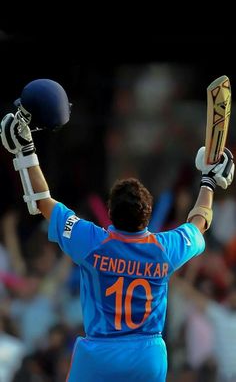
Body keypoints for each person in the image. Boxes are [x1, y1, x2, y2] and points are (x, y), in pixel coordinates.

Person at [0, 110, 234, 382]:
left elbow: (43, 201)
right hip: (148, 355)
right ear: (148, 214)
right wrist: (209, 182)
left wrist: (25, 150)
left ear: (109, 212)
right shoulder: (165, 248)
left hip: (100, 353)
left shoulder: (92, 241)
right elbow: (199, 224)